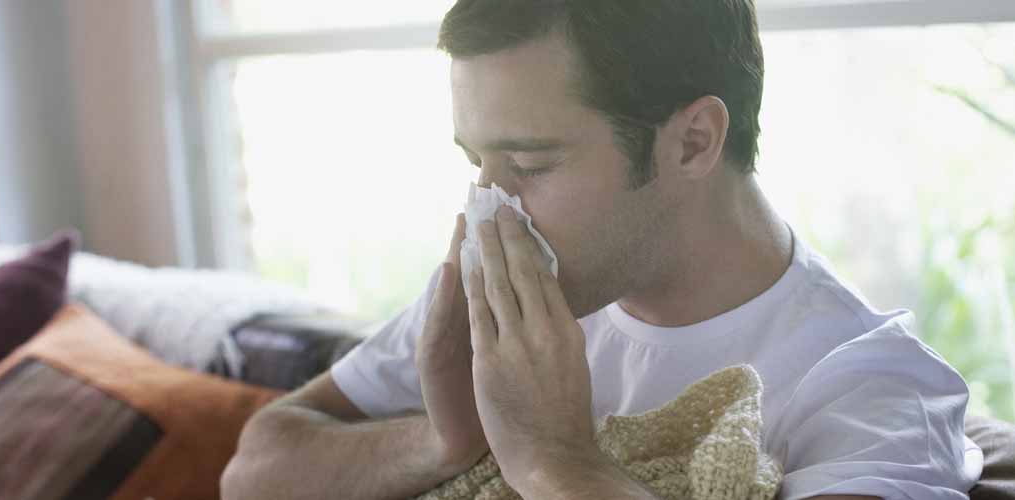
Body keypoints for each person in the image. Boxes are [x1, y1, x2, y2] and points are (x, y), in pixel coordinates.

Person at [221, 1, 983, 498]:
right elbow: (253, 472)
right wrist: (447, 440)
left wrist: (553, 459)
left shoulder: (874, 393)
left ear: (693, 142)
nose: (488, 206)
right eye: (475, 164)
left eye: (530, 165)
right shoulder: (511, 286)